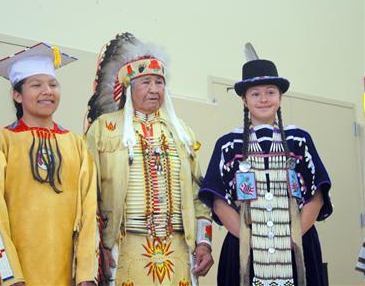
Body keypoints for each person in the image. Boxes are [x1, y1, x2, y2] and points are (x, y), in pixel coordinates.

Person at [0, 42, 99, 286]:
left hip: (65, 272)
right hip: (18, 273)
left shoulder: (76, 145)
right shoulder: (1, 142)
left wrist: (86, 275)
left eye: (53, 84)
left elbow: (90, 211)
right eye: (36, 85)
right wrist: (11, 276)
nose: (47, 91)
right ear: (17, 95)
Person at [85, 33, 213, 286]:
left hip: (177, 248)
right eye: (145, 82)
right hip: (123, 248)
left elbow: (200, 196)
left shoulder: (182, 133)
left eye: (159, 82)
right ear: (129, 87)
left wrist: (205, 242)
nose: (154, 89)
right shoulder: (104, 129)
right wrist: (95, 248)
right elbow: (88, 194)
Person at [199, 46, 333, 286]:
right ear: (244, 99)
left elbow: (317, 195)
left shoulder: (299, 140)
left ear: (280, 98)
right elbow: (218, 200)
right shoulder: (228, 144)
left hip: (296, 245)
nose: (263, 99)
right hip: (244, 248)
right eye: (255, 94)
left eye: (270, 92)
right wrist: (251, 240)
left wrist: (292, 237)